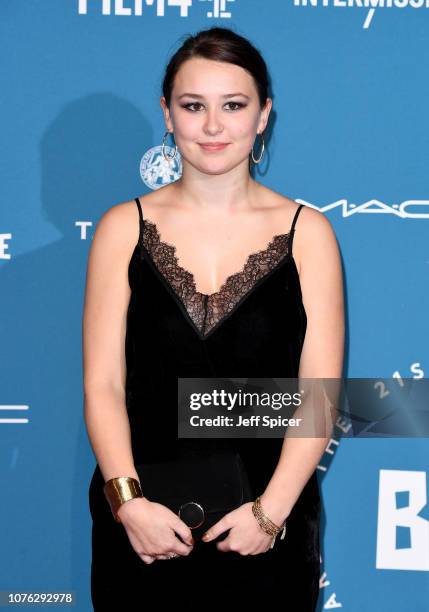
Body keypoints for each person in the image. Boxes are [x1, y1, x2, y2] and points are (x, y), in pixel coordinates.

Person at [83, 26, 344, 610]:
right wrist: (127, 502)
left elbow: (318, 397)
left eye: (233, 105)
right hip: (144, 527)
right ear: (168, 114)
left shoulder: (310, 234)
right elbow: (102, 383)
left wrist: (270, 515)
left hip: (265, 527)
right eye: (193, 105)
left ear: (263, 114)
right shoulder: (121, 228)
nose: (212, 125)